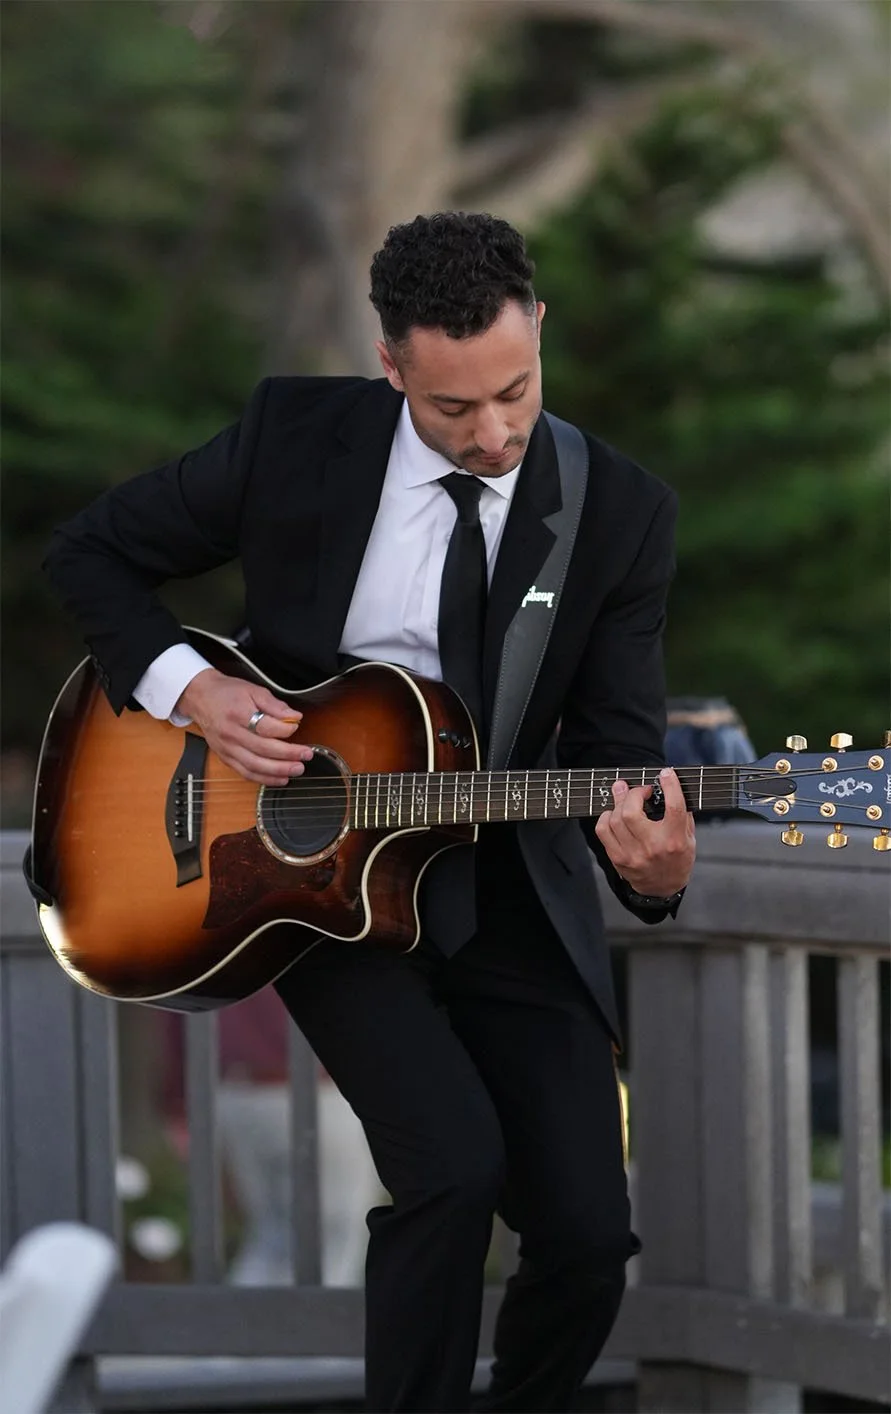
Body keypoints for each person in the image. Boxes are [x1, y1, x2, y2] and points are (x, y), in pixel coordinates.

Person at [44, 211, 696, 1413]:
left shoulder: (620, 512)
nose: (495, 432)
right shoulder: (298, 438)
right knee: (449, 1172)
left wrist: (653, 871)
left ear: (539, 329)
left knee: (590, 1236)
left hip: (505, 893)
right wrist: (195, 690)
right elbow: (91, 553)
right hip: (313, 879)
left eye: (516, 389)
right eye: (455, 409)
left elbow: (616, 755)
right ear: (391, 364)